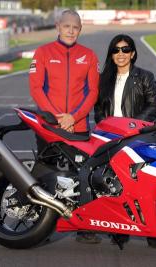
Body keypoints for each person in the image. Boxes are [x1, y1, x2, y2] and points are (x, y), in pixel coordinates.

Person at [29, 9, 101, 244]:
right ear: (58, 26)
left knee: (82, 176)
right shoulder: (42, 52)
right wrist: (57, 118)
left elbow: (93, 91)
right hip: (49, 125)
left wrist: (74, 117)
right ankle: (42, 228)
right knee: (45, 175)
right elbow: (36, 88)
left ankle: (84, 227)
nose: (71, 31)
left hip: (79, 126)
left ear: (80, 29)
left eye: (76, 27)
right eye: (67, 26)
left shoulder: (89, 55)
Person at [94, 34, 156, 249]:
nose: (121, 54)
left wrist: (133, 126)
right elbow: (97, 109)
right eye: (116, 50)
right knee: (115, 185)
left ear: (133, 53)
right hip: (110, 138)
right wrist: (106, 126)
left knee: (146, 184)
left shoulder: (145, 76)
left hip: (137, 137)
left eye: (125, 50)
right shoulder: (103, 78)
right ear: (111, 54)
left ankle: (153, 232)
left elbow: (154, 106)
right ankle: (119, 229)